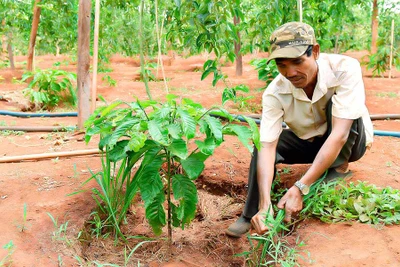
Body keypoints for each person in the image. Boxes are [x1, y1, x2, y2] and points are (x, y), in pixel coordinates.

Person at [225, 22, 374, 237]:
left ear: (315, 51)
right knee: (263, 144)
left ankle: (338, 168)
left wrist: (301, 187)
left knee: (344, 111)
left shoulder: (344, 69)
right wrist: (267, 204)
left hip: (350, 143)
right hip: (310, 143)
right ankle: (252, 213)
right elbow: (268, 147)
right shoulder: (274, 93)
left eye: (297, 61)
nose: (290, 72)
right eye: (281, 64)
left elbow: (340, 134)